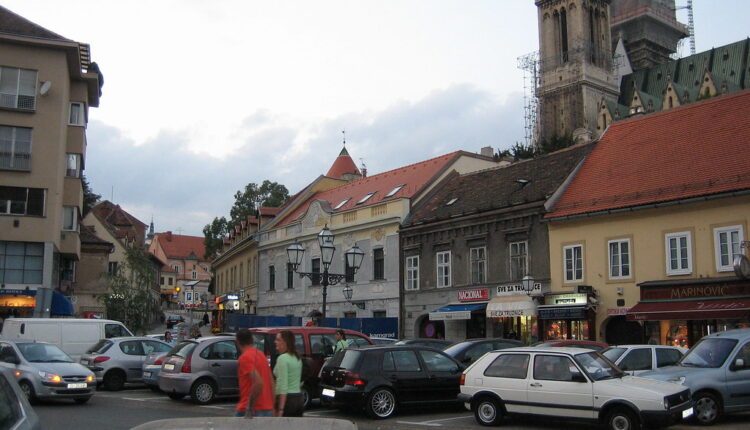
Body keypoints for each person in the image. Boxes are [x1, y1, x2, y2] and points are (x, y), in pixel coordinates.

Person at [235, 329, 274, 418]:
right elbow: (271, 382)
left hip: (251, 409)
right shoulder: (261, 355)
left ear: (237, 342)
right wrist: (273, 406)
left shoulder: (244, 358)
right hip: (267, 408)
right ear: (252, 340)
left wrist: (249, 406)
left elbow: (258, 383)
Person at [273, 330, 304, 417]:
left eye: (278, 340)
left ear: (285, 342)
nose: (275, 342)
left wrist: (280, 409)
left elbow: (283, 385)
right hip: (298, 398)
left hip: (287, 400)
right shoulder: (297, 357)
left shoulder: (282, 358)